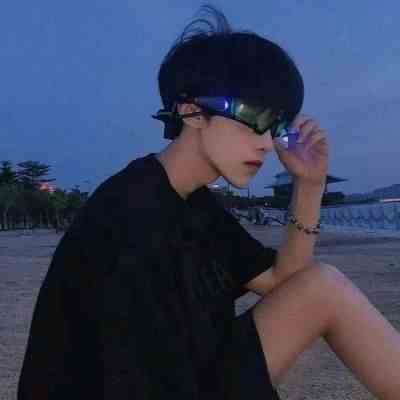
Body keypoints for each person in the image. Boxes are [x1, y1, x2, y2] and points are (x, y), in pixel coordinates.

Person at [17, 5, 400, 400]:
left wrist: (309, 185)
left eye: (276, 127)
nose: (267, 144)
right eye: (253, 117)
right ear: (192, 111)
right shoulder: (129, 217)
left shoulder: (195, 202)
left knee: (324, 285)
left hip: (188, 369)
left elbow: (286, 282)